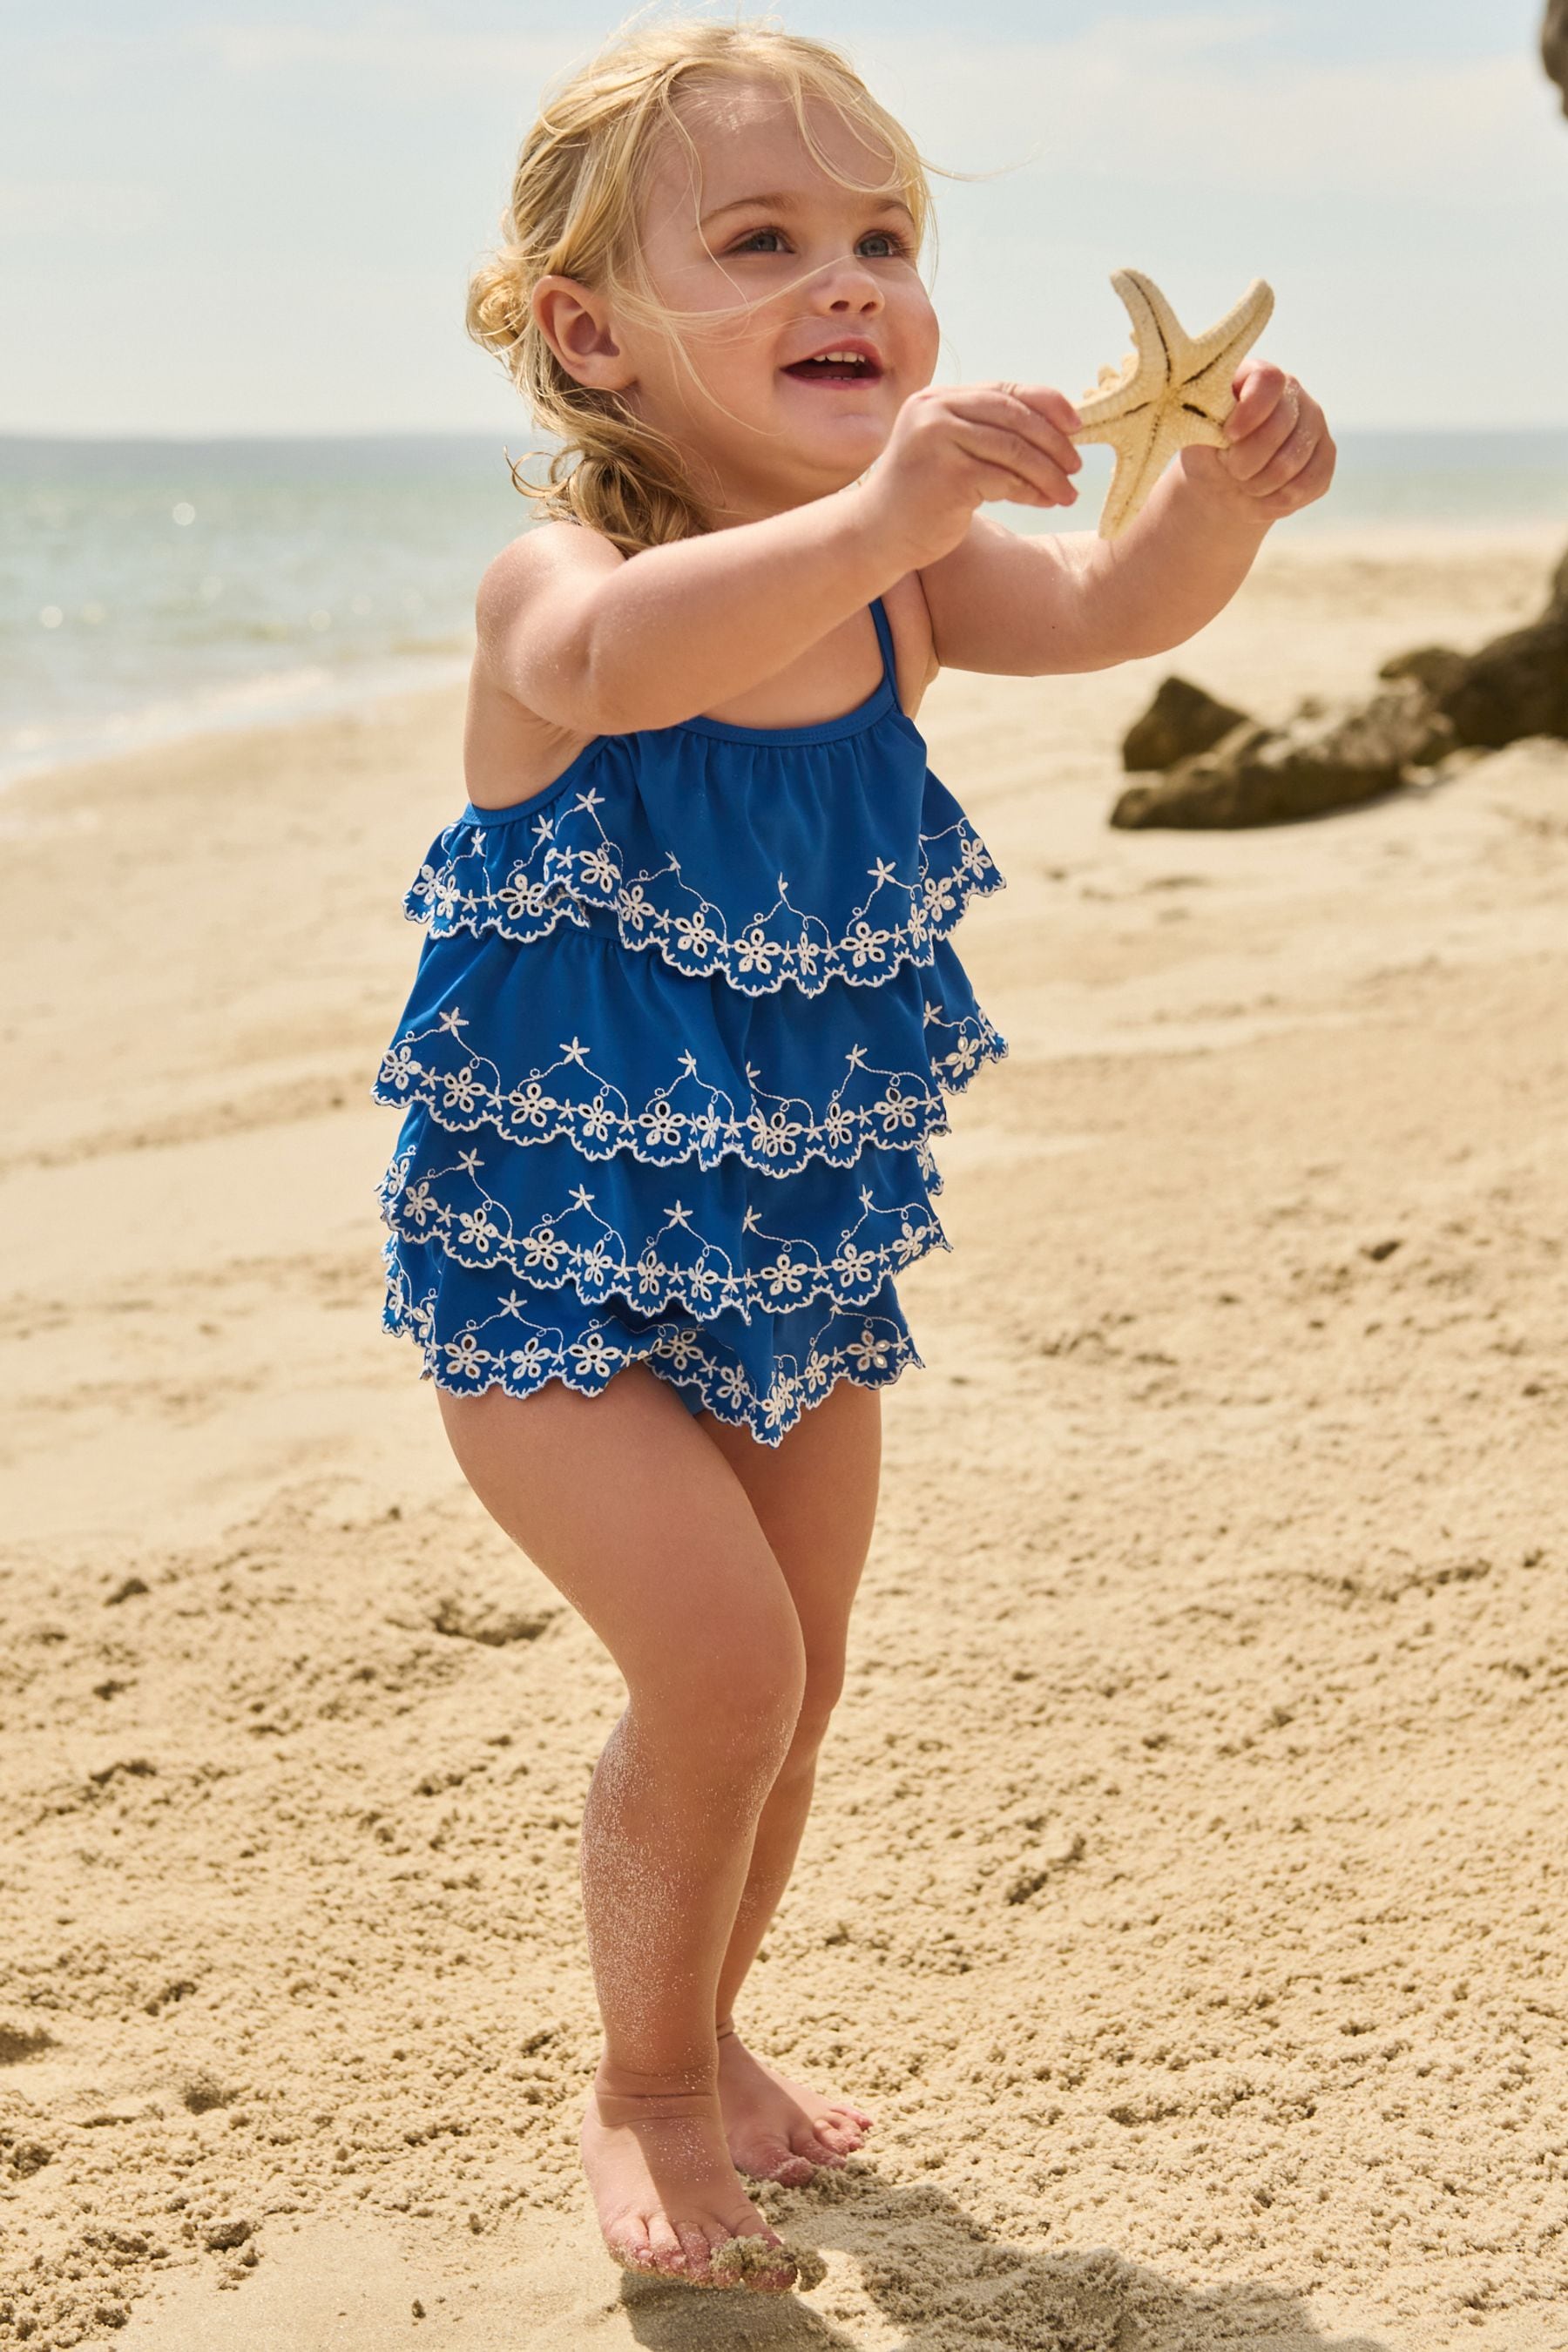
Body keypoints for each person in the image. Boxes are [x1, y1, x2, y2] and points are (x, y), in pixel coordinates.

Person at [369, 11, 1334, 2298]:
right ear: (591, 334)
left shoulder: (912, 588)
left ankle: (708, 2021)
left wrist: (1215, 496)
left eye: (884, 238)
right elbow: (614, 669)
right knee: (713, 1669)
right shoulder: (568, 579)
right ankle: (648, 2087)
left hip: (798, 1246)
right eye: (769, 237)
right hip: (548, 1260)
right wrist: (886, 503)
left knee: (798, 1670)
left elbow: (1105, 610)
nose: (853, 281)